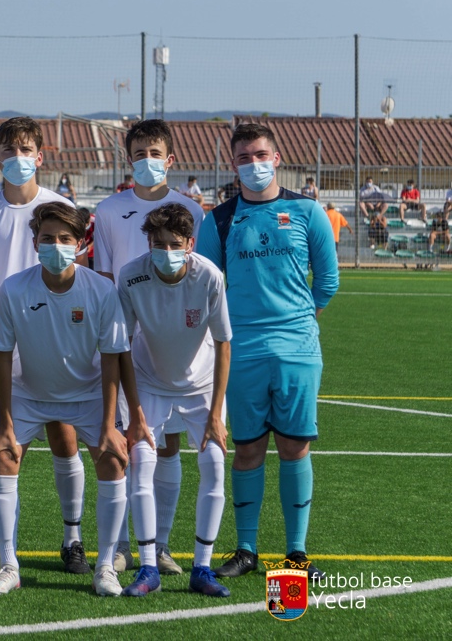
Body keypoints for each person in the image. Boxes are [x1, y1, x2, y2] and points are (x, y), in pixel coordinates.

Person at [195, 123, 338, 582]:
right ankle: (247, 549)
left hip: (297, 350)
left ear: (276, 158)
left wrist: (297, 323)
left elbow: (328, 282)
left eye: (260, 155)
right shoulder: (217, 220)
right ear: (233, 165)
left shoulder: (307, 211)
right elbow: (207, 287)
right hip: (243, 353)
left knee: (295, 447)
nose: (253, 164)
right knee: (248, 449)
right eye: (243, 158)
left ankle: (296, 553)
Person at [0, 201, 133, 597]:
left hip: (86, 395)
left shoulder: (101, 290)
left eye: (65, 239)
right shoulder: (15, 288)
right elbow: (0, 356)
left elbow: (113, 359)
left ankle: (105, 567)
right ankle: (8, 564)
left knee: (114, 458)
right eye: (47, 238)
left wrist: (108, 426)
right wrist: (5, 423)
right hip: (29, 393)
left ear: (81, 243)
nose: (55, 245)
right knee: (3, 455)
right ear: (34, 242)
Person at [0, 116, 90, 575]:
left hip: (59, 342)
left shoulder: (63, 206)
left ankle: (72, 537)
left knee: (64, 436)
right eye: (9, 149)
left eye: (26, 149)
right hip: (3, 346)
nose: (18, 157)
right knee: (1, 442)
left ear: (41, 155)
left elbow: (80, 278)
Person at [93, 118, 205, 575]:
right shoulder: (108, 210)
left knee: (169, 446)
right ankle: (122, 544)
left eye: (155, 153)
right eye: (139, 154)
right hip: (124, 347)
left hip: (174, 348)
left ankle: (159, 545)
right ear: (128, 158)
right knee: (130, 444)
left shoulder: (192, 210)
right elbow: (102, 279)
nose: (147, 161)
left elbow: (201, 279)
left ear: (170, 159)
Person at [116, 203, 232, 599]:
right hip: (149, 380)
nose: (166, 252)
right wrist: (133, 412)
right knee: (141, 463)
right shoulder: (131, 276)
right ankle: (148, 567)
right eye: (158, 243)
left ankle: (202, 568)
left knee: (215, 463)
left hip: (200, 386)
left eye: (175, 244)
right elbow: (123, 346)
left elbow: (223, 343)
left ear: (191, 244)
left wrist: (216, 414)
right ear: (148, 242)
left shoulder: (209, 277)